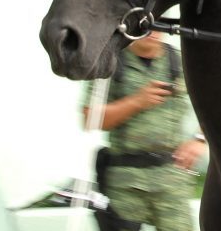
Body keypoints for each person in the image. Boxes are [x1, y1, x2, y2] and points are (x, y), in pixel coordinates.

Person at [83, 31, 207, 231]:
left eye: (158, 25)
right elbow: (90, 118)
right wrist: (137, 101)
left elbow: (217, 102)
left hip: (171, 180)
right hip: (125, 182)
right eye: (146, 27)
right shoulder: (111, 63)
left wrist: (199, 140)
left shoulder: (182, 62)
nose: (153, 32)